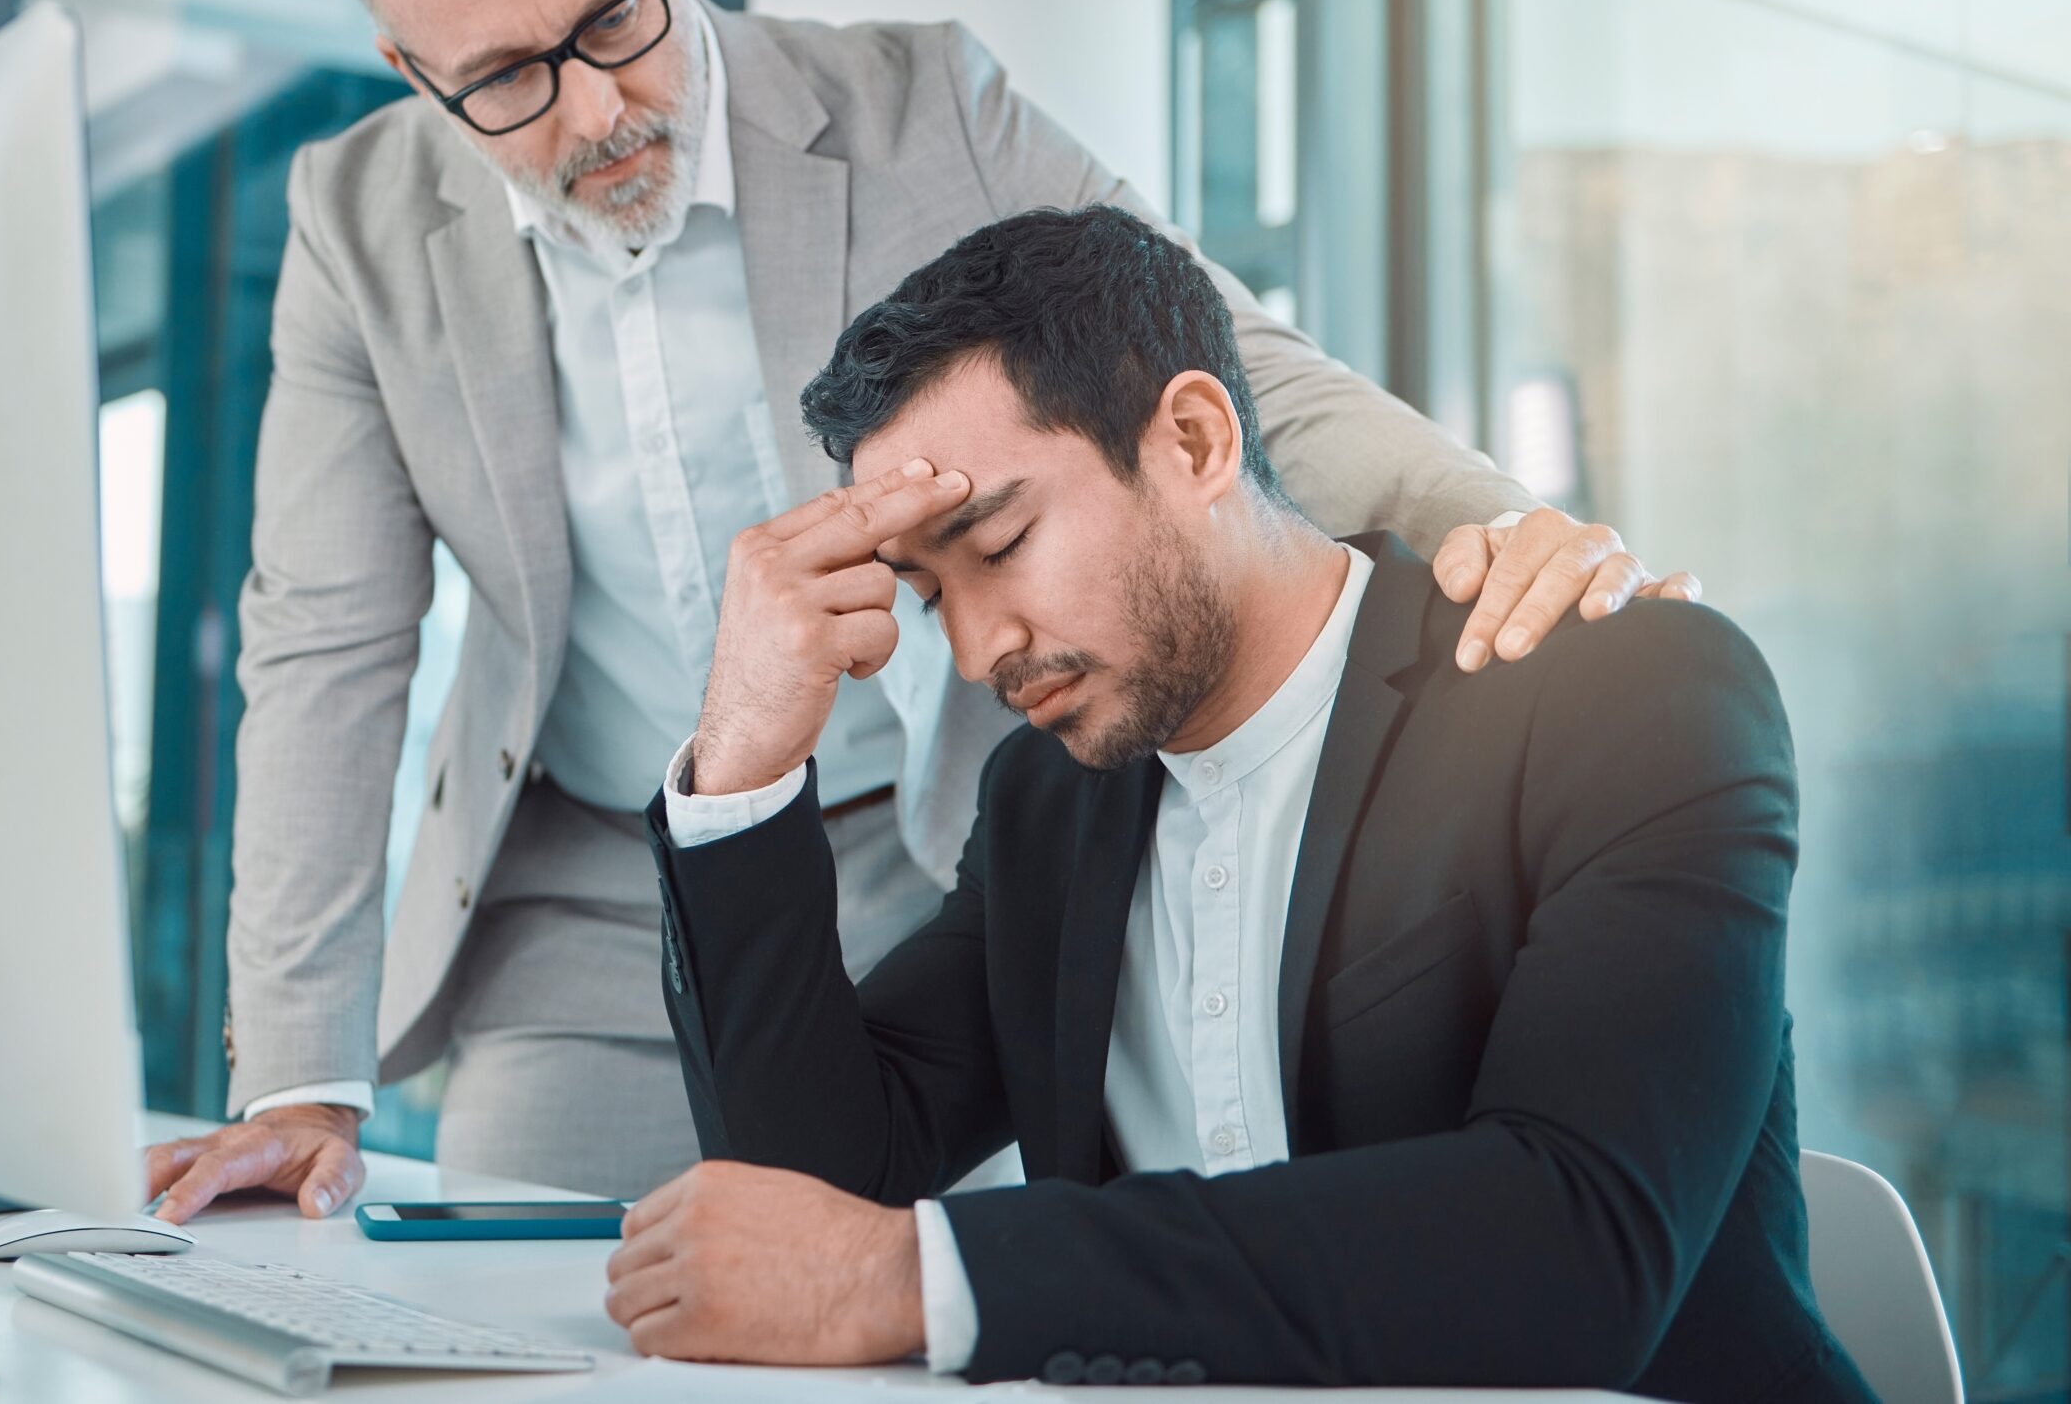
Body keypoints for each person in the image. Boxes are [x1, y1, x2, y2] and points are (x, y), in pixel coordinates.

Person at [144, 0, 1699, 1220]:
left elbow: (1220, 355)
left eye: (616, 20)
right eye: (504, 82)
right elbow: (325, 643)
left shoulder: (923, 107)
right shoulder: (350, 225)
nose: (595, 112)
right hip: (598, 874)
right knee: (556, 1314)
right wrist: (297, 1077)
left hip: (926, 830)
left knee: (911, 1296)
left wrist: (1490, 523)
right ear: (412, 73)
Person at [606, 205, 1866, 1401]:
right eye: (932, 596)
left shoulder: (1620, 689)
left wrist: (918, 1276)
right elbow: (817, 1199)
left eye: (998, 548)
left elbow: (1575, 1242)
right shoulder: (1048, 797)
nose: (982, 646)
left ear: (1196, 442)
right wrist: (743, 757)